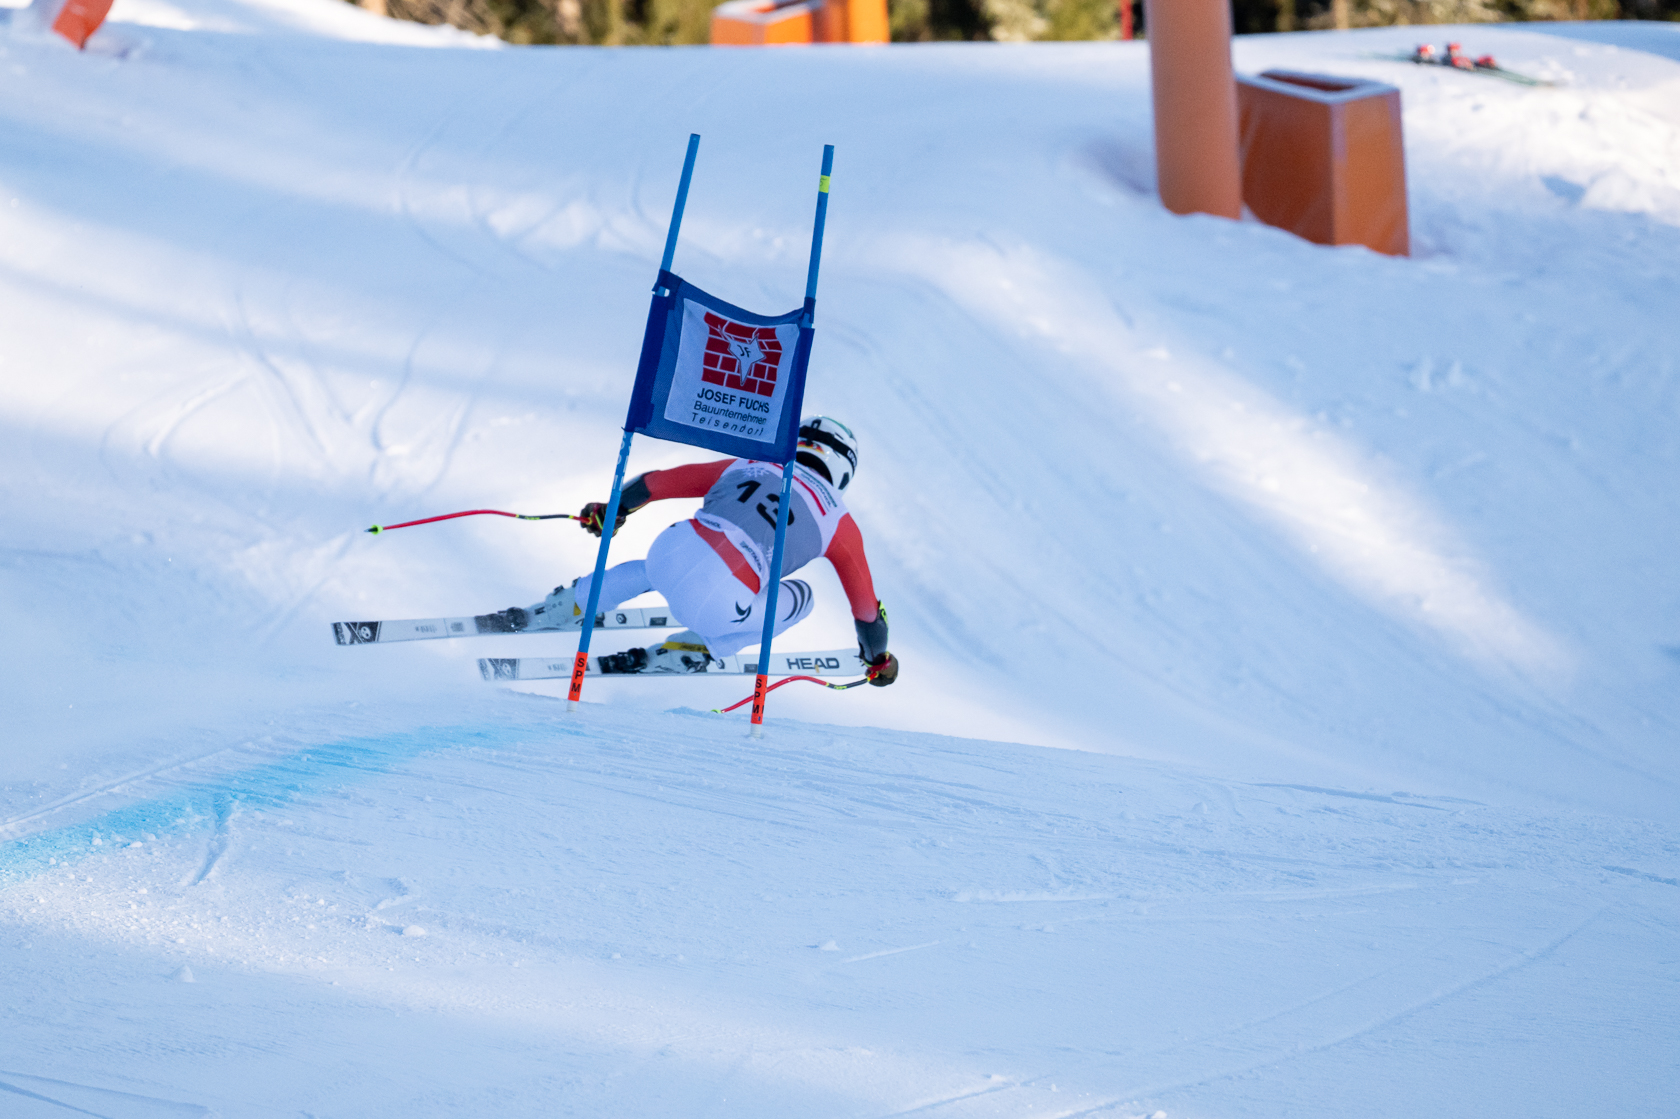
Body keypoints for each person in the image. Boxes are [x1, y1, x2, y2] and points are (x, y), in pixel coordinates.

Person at [481, 416, 897, 685]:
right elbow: (865, 611)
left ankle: (566, 604)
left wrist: (612, 512)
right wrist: (876, 658)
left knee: (651, 566)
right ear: (843, 469)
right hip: (724, 600)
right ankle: (699, 648)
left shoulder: (750, 464)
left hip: (672, 549)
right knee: (803, 598)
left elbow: (656, 483)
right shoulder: (839, 521)